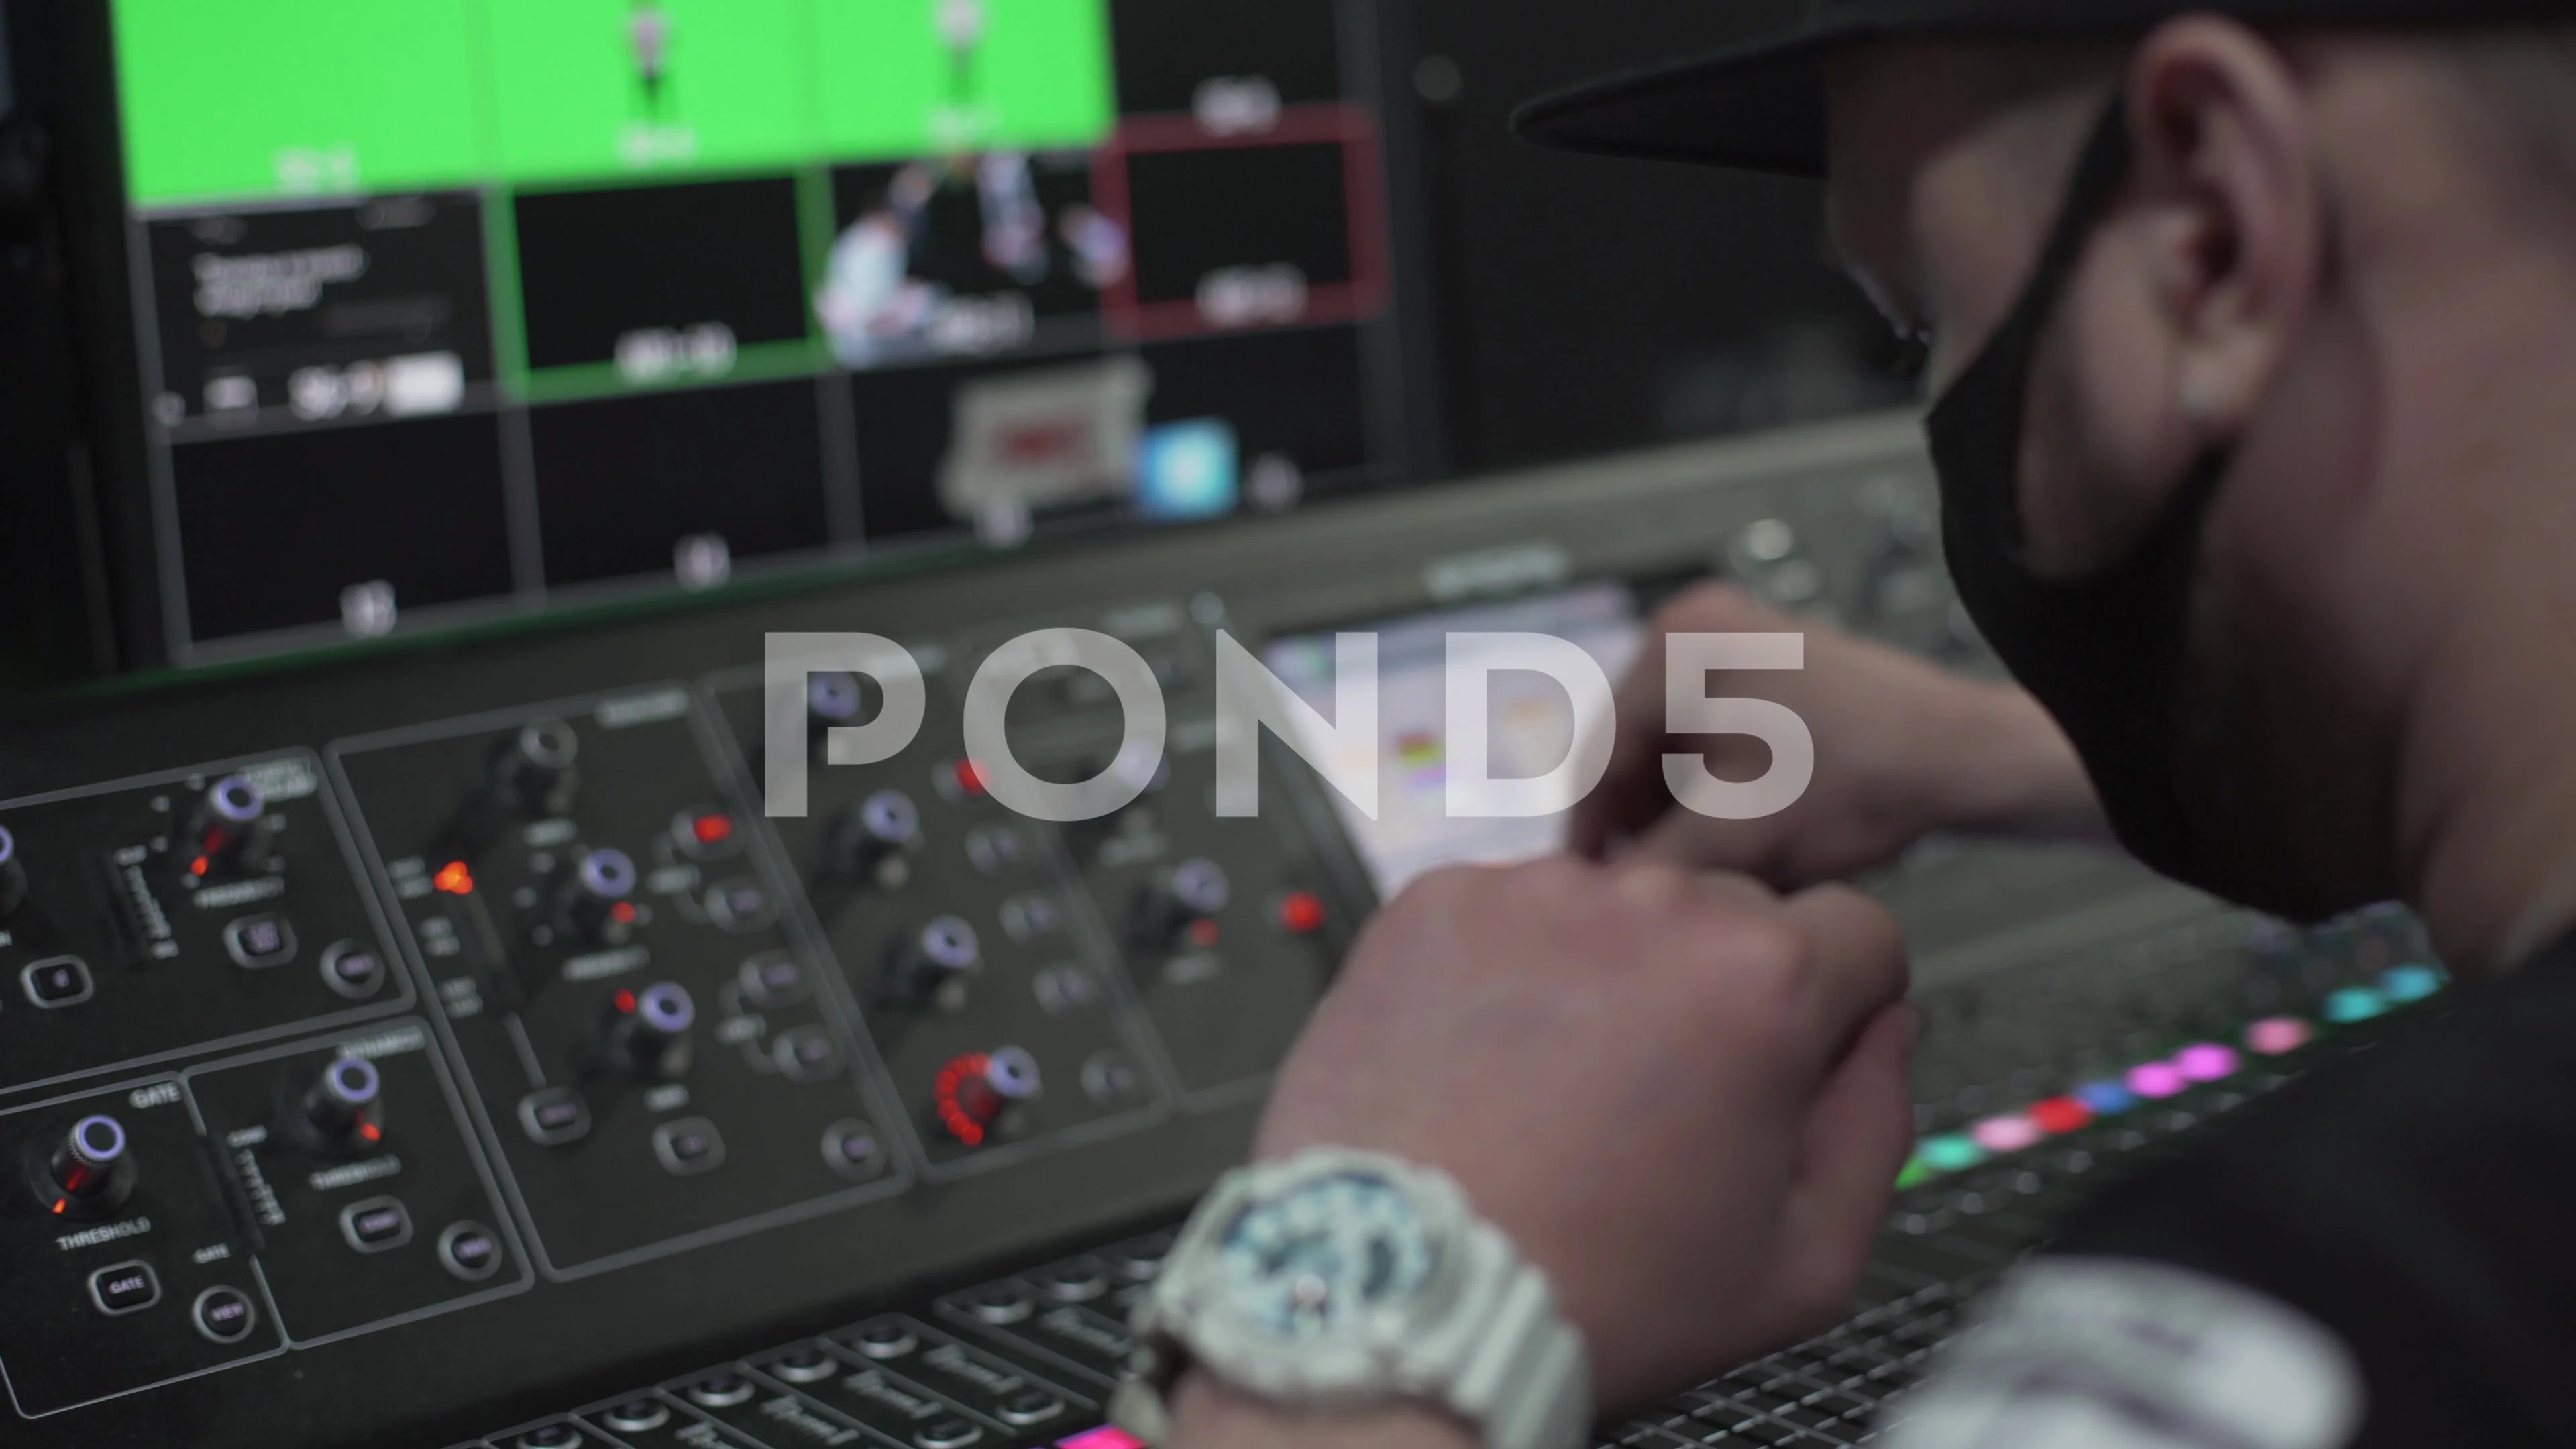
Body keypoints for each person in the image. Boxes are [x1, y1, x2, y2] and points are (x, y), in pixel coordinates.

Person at [1121, 3, 2576, 1447]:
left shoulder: (2311, 1318)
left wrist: (1364, 1316)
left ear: (2212, 238)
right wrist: (2011, 758)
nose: (1930, 381)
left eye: (1919, 324)